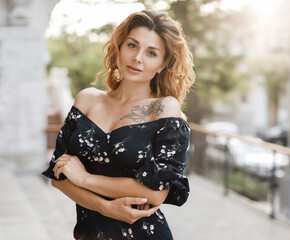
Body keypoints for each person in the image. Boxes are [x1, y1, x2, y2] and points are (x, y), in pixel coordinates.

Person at [42, 10, 195, 240]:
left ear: (162, 64)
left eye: (151, 53)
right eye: (132, 45)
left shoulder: (164, 109)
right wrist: (105, 207)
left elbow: (156, 193)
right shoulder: (88, 99)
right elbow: (58, 176)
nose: (137, 58)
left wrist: (85, 179)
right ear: (120, 47)